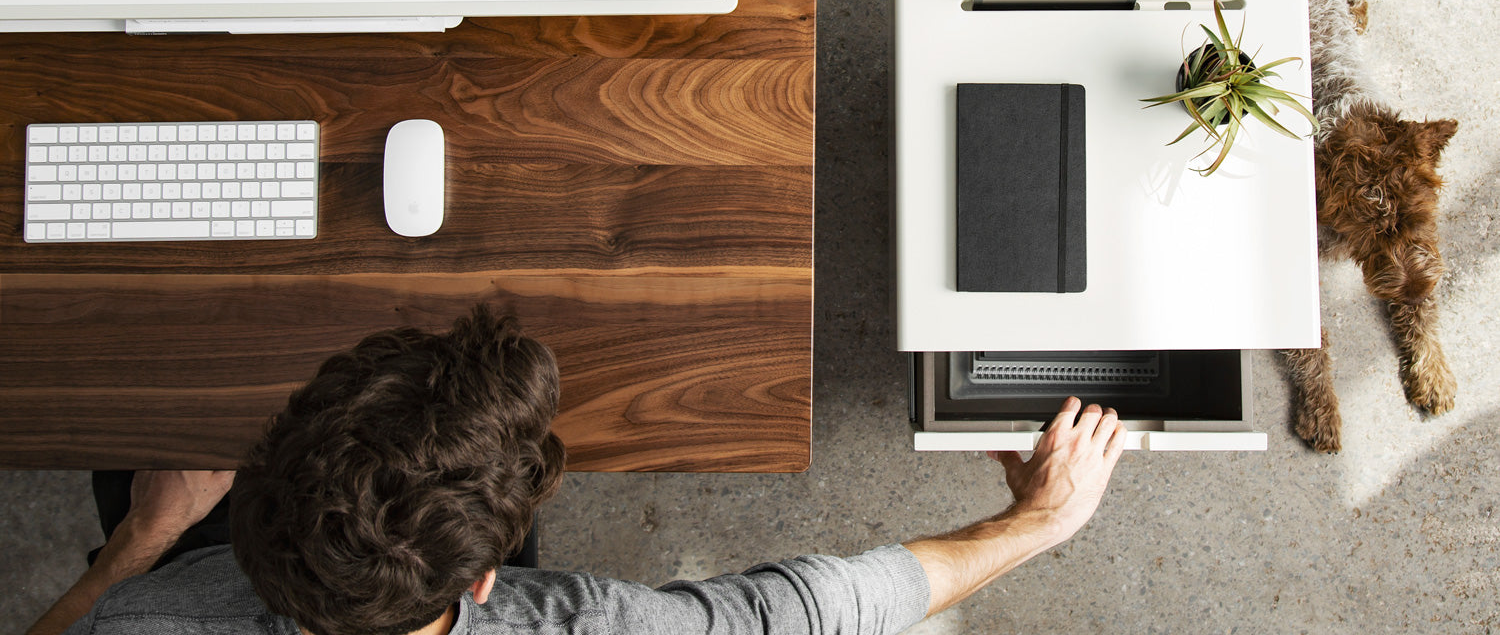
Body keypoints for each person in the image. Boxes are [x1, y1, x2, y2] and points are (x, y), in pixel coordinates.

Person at [28, 305, 1127, 635]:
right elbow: (800, 611)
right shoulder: (583, 624)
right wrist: (1036, 522)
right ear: (489, 574)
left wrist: (140, 546)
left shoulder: (138, 627)